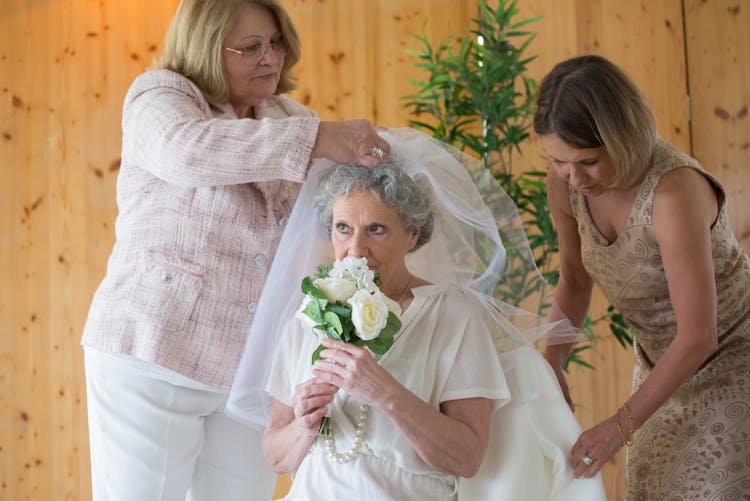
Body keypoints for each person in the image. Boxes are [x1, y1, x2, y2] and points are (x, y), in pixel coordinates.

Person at [80, 1, 390, 499]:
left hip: (250, 368)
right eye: (250, 47)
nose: (270, 58)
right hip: (153, 350)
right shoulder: (160, 97)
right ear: (206, 47)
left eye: (276, 42)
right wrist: (320, 137)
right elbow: (190, 150)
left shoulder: (292, 118)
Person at [227, 128, 607, 499]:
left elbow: (468, 457)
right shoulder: (310, 314)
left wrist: (386, 393)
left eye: (376, 229)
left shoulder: (454, 317)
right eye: (343, 228)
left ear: (413, 234)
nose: (355, 250)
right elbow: (275, 455)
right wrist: (306, 425)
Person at [535, 54, 750, 499]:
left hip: (733, 356)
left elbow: (699, 335)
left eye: (588, 161)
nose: (573, 177)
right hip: (660, 363)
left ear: (622, 137)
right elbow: (574, 279)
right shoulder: (567, 184)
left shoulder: (674, 190)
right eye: (558, 161)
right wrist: (550, 364)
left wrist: (618, 426)